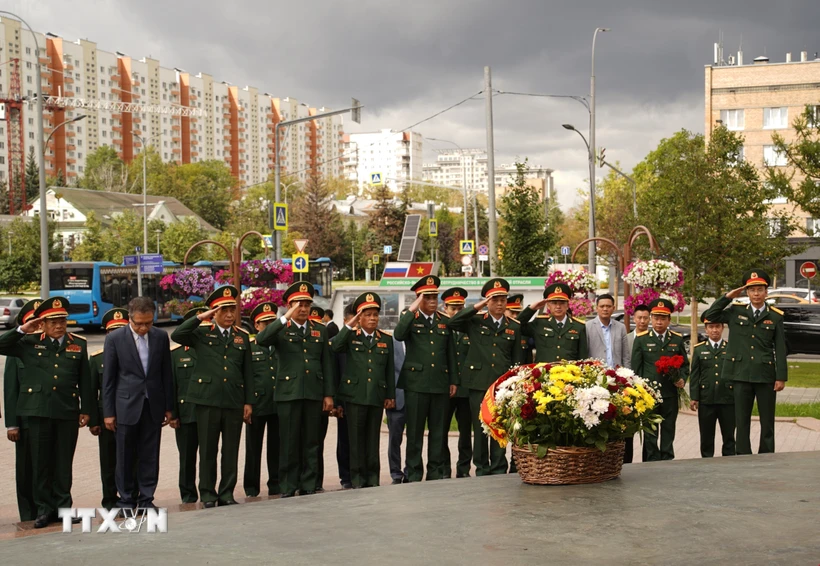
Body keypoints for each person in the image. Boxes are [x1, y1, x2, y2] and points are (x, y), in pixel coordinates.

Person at [0, 297, 92, 528]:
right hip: (37, 411)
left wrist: (87, 409)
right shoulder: (28, 342)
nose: (59, 325)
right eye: (53, 321)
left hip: (66, 411)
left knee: (63, 463)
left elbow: (85, 380)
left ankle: (63, 508)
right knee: (40, 464)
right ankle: (43, 509)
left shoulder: (78, 344)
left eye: (62, 320)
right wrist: (21, 329)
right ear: (43, 323)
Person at [171, 286, 253, 508]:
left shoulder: (241, 337)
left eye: (231, 310)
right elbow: (177, 335)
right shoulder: (202, 332)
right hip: (207, 400)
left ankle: (226, 493)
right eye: (223, 310)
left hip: (233, 400)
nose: (228, 314)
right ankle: (207, 493)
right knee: (207, 450)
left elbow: (248, 371)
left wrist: (248, 402)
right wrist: (201, 316)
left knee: (230, 450)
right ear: (214, 312)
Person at [256, 282, 335, 497]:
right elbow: (262, 340)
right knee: (289, 442)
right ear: (289, 305)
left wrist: (328, 394)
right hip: (288, 393)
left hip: (313, 392)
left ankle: (308, 483)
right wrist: (283, 318)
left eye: (307, 304)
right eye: (298, 304)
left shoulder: (319, 330)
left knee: (311, 441)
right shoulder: (281, 328)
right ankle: (288, 485)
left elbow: (326, 363)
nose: (303, 308)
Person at [702, 269, 787, 455]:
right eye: (752, 290)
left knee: (767, 421)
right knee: (741, 420)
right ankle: (743, 456)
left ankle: (766, 455)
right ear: (746, 292)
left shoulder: (775, 316)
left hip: (765, 375)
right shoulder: (735, 311)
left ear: (766, 292)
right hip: (740, 373)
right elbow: (711, 315)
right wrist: (727, 297)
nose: (756, 294)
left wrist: (781, 377)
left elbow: (780, 349)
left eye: (759, 289)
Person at [448, 278, 526, 475]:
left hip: (501, 385)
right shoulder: (475, 321)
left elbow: (516, 359)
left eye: (503, 300)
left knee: (499, 426)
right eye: (495, 300)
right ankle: (482, 466)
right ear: (488, 301)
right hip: (478, 383)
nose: (500, 304)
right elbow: (453, 322)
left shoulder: (513, 326)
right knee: (481, 426)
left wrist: (513, 384)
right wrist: (477, 306)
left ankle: (499, 466)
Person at [102, 297, 173, 510]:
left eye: (148, 323)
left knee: (150, 455)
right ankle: (125, 500)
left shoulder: (160, 337)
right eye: (138, 323)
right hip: (125, 406)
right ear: (129, 318)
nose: (143, 328)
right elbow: (109, 379)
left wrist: (169, 407)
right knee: (124, 456)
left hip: (153, 406)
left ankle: (146, 499)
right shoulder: (115, 338)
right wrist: (108, 412)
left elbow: (166, 374)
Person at [393, 276, 457, 482]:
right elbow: (399, 334)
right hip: (416, 384)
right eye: (427, 297)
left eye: (434, 297)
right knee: (414, 432)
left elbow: (451, 354)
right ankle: (413, 472)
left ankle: (436, 471)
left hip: (439, 383)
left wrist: (453, 381)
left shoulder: (444, 321)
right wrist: (411, 310)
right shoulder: (411, 318)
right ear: (419, 298)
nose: (432, 301)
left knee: (438, 432)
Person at [332, 292, 396, 488]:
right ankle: (357, 478)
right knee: (356, 441)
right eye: (367, 315)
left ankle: (372, 478)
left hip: (376, 396)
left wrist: (390, 395)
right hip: (355, 396)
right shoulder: (351, 337)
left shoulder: (385, 339)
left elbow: (389, 370)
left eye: (375, 314)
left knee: (372, 440)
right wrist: (350, 325)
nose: (372, 318)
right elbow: (335, 346)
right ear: (359, 317)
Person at [631, 298, 689, 461]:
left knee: (669, 429)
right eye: (656, 318)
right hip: (650, 395)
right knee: (650, 430)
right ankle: (651, 460)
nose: (659, 321)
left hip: (670, 393)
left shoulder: (677, 339)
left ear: (669, 320)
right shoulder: (642, 339)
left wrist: (682, 379)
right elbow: (636, 369)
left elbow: (684, 365)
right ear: (651, 318)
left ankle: (667, 458)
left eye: (663, 318)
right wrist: (640, 391)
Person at [89, 308, 132, 510]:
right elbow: (91, 391)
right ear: (107, 334)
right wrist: (94, 421)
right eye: (112, 331)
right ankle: (109, 500)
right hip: (107, 418)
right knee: (109, 462)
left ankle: (133, 496)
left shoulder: (138, 355)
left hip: (132, 414)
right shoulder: (98, 358)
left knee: (134, 458)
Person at [4, 299, 41, 522]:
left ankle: (47, 509)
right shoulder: (16, 350)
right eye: (33, 324)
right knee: (26, 470)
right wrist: (12, 423)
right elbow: (11, 389)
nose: (37, 328)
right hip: (24, 420)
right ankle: (28, 513)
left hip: (45, 417)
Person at [585, 294, 632, 462]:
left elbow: (626, 356)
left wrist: (627, 379)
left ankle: (616, 458)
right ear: (596, 308)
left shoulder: (620, 327)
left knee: (616, 419)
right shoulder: (588, 327)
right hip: (596, 382)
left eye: (608, 306)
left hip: (616, 382)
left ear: (613, 308)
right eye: (602, 306)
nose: (605, 309)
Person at [244, 302, 280, 497]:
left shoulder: (280, 344)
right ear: (256, 326)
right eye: (264, 323)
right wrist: (247, 402)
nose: (269, 326)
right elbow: (246, 377)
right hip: (257, 404)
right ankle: (251, 487)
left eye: (272, 322)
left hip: (277, 403)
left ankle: (275, 484)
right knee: (253, 448)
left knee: (276, 447)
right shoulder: (250, 347)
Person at [171, 307, 206, 504]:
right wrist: (173, 414)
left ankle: (207, 490)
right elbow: (172, 384)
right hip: (185, 414)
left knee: (208, 455)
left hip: (207, 410)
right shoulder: (176, 354)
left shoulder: (211, 347)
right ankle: (188, 495)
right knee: (186, 458)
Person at [689, 314, 735, 458]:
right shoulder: (698, 349)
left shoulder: (730, 348)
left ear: (723, 328)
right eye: (711, 327)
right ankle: (706, 461)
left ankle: (728, 460)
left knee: (729, 435)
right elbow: (695, 375)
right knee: (706, 435)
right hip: (706, 399)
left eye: (717, 327)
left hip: (727, 398)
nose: (714, 330)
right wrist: (694, 397)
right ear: (706, 329)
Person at [440, 287, 473, 479]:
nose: (457, 312)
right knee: (441, 429)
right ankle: (444, 468)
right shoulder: (442, 327)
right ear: (445, 308)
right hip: (446, 387)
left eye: (460, 308)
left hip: (466, 387)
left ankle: (463, 468)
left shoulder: (469, 326)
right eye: (453, 308)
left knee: (465, 431)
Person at [519, 283, 588, 363]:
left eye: (562, 303)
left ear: (568, 305)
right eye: (554, 303)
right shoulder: (539, 323)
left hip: (569, 373)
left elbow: (582, 357)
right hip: (544, 373)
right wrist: (531, 309)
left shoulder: (578, 326)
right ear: (548, 305)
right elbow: (517, 326)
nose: (558, 306)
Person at [331, 303, 355, 489]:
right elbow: (335, 374)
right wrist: (337, 402)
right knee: (345, 439)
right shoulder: (337, 342)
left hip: (362, 398)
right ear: (346, 321)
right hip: (344, 399)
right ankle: (345, 476)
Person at [308, 305, 330, 492]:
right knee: (294, 442)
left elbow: (329, 367)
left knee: (315, 442)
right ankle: (294, 482)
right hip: (296, 394)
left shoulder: (322, 335)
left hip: (318, 395)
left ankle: (315, 482)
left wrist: (329, 396)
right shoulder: (287, 330)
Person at [386, 331, 408, 484]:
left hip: (416, 397)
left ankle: (411, 470)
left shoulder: (420, 339)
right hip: (396, 397)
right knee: (395, 438)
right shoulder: (391, 341)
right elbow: (386, 370)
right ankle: (395, 472)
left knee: (414, 439)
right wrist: (388, 395)